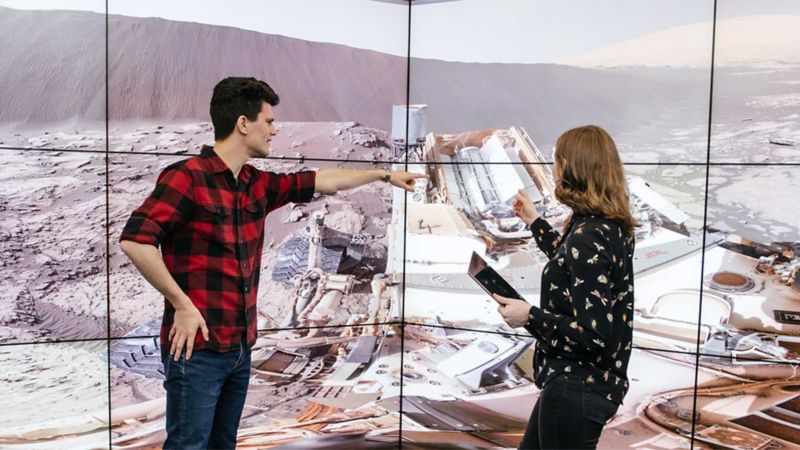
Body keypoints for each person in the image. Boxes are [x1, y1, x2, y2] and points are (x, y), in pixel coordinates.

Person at [119, 76, 426, 450]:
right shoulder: (187, 179)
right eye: (268, 121)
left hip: (240, 348)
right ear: (243, 123)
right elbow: (136, 240)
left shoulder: (255, 183)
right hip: (197, 351)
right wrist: (181, 304)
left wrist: (384, 174)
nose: (274, 130)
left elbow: (323, 180)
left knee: (222, 445)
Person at [493, 125, 636, 450]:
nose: (553, 168)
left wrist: (529, 316)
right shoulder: (610, 228)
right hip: (585, 386)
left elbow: (594, 335)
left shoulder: (587, 236)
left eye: (557, 160)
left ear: (574, 167)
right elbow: (576, 266)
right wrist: (535, 223)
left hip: (576, 387)